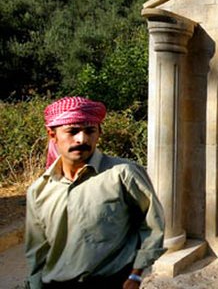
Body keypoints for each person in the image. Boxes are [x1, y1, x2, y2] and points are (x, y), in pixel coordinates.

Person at [25, 96, 166, 289]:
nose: (82, 139)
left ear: (99, 133)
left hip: (111, 282)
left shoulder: (122, 174)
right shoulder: (39, 190)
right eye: (72, 131)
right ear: (52, 135)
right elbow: (37, 250)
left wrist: (136, 275)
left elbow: (151, 223)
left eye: (90, 131)